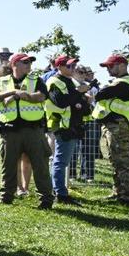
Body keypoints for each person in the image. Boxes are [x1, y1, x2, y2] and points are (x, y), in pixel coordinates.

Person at [0, 53, 54, 208]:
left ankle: (46, 199)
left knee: (41, 166)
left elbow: (41, 96)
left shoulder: (36, 80)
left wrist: (21, 96)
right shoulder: (2, 81)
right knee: (8, 166)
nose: (29, 64)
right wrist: (12, 92)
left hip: (34, 131)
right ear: (14, 64)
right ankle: (6, 196)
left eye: (30, 62)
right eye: (25, 62)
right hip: (10, 131)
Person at [92, 54, 129, 206]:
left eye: (110, 66)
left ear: (122, 65)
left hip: (120, 127)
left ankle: (128, 198)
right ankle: (118, 192)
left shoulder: (126, 83)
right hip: (114, 126)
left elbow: (101, 94)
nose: (108, 69)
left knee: (122, 162)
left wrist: (95, 92)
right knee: (115, 161)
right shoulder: (121, 82)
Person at [45, 55, 91, 205]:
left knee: (62, 161)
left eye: (74, 66)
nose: (73, 68)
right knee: (60, 162)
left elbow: (82, 105)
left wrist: (79, 101)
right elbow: (61, 102)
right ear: (59, 67)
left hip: (72, 125)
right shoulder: (54, 81)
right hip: (62, 126)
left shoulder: (70, 81)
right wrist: (78, 93)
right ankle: (60, 194)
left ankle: (57, 191)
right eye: (69, 66)